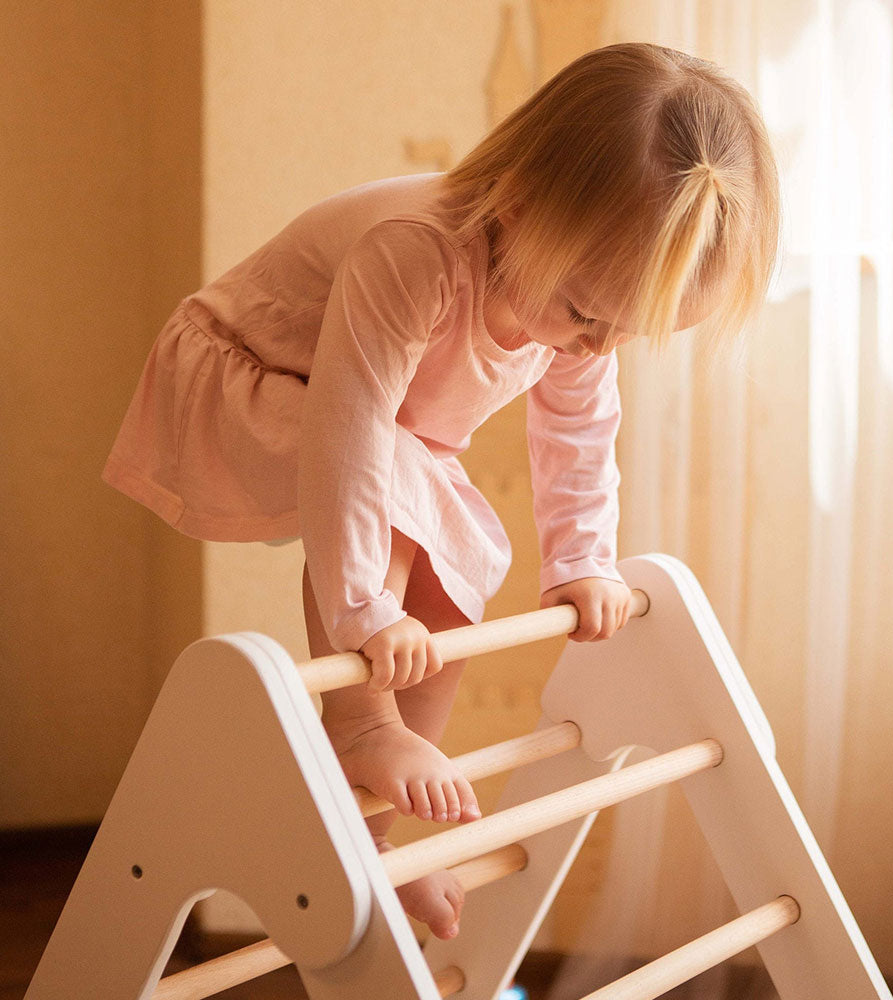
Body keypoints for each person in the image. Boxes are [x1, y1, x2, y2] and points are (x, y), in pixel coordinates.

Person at [102, 42, 779, 940]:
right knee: (401, 494)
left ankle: (378, 835)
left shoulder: (580, 314)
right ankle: (361, 722)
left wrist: (582, 561)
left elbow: (579, 432)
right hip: (245, 382)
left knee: (467, 546)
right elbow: (350, 436)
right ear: (525, 203)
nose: (595, 347)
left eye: (629, 331)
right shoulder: (417, 250)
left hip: (368, 433)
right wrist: (359, 613)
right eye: (585, 313)